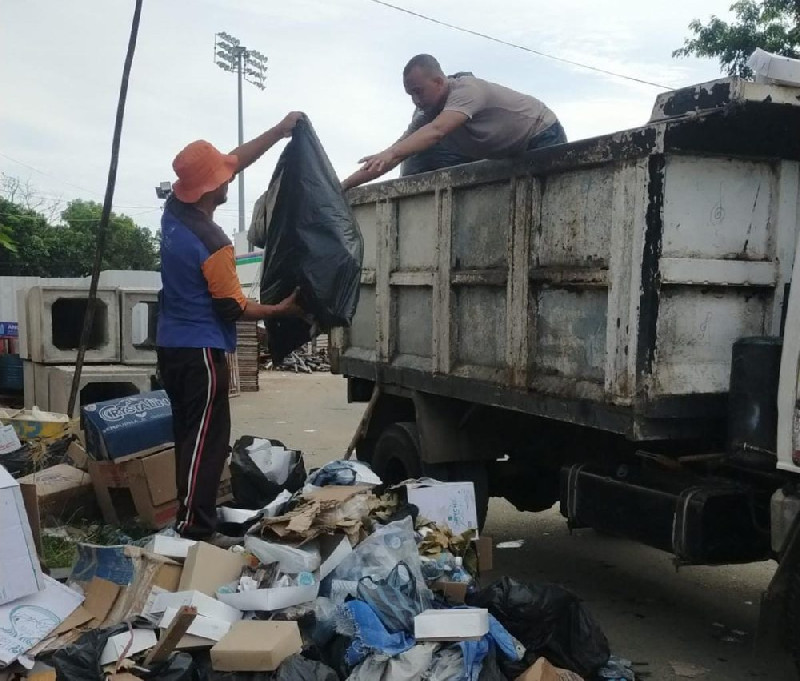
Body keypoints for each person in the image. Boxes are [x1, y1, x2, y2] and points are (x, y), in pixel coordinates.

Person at [157, 112, 305, 547]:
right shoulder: (214, 243)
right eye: (222, 177)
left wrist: (278, 132)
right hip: (202, 353)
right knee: (207, 441)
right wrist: (281, 308)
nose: (229, 179)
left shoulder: (174, 212)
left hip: (171, 348)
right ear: (210, 189)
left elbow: (236, 159)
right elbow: (233, 308)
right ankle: (195, 529)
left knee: (190, 435)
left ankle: (191, 515)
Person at [342, 54, 566, 190]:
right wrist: (343, 186)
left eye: (418, 92)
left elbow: (437, 132)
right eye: (410, 95)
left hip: (541, 134)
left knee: (546, 206)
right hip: (510, 152)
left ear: (439, 81)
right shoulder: (428, 115)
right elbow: (395, 154)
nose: (416, 101)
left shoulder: (467, 90)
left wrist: (390, 153)